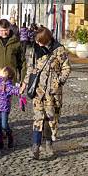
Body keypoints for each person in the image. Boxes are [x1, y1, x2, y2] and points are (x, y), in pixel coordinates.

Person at [20, 26, 71, 159]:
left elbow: (66, 67)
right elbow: (30, 69)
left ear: (46, 38)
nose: (37, 43)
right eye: (36, 40)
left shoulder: (59, 50)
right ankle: (35, 147)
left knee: (50, 118)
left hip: (53, 92)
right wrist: (25, 84)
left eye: (40, 40)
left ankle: (48, 143)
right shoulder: (34, 49)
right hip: (38, 90)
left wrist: (58, 81)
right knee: (38, 118)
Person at [0, 66, 20, 150]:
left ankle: (9, 134)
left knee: (4, 125)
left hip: (4, 108)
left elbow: (15, 91)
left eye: (2, 71)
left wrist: (20, 89)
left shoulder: (8, 86)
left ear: (6, 76)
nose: (0, 70)